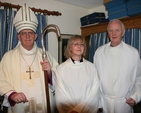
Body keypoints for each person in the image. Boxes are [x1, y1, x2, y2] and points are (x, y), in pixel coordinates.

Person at [0, 4, 58, 113]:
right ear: (19, 37)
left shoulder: (45, 54)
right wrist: (12, 94)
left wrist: (50, 73)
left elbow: (60, 75)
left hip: (44, 106)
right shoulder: (9, 57)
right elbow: (1, 78)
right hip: (19, 107)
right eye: (23, 33)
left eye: (30, 33)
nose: (27, 36)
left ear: (36, 36)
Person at [93, 19, 141, 113]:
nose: (113, 33)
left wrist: (136, 97)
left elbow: (139, 78)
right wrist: (97, 103)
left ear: (123, 32)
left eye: (117, 30)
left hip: (124, 104)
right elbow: (95, 79)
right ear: (108, 33)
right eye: (111, 30)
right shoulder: (99, 52)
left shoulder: (133, 53)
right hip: (104, 103)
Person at [54, 35, 99, 113]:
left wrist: (78, 109)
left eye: (82, 44)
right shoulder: (61, 69)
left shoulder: (92, 67)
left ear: (84, 47)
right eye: (76, 44)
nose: (79, 46)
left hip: (87, 110)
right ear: (70, 48)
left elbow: (94, 92)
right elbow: (61, 94)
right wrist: (73, 111)